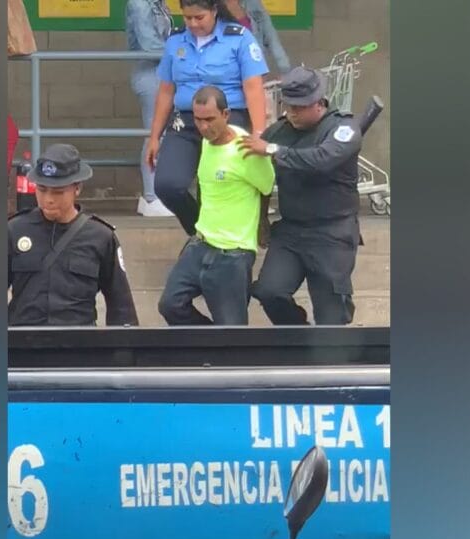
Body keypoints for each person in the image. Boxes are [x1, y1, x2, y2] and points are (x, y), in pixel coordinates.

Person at [237, 67, 363, 326]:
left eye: (299, 107)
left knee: (331, 314)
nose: (291, 112)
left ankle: (332, 359)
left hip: (332, 232)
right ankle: (301, 337)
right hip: (292, 231)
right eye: (289, 105)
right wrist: (260, 220)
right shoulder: (280, 131)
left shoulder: (343, 129)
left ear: (318, 103)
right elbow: (260, 179)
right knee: (269, 291)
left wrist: (272, 150)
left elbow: (322, 160)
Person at [146, 0, 270, 237]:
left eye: (199, 18)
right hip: (186, 121)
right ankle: (202, 234)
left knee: (214, 186)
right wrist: (154, 136)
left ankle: (215, 240)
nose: (193, 23)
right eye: (187, 18)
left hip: (227, 119)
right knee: (167, 184)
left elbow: (253, 88)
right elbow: (166, 91)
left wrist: (258, 133)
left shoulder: (239, 38)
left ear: (214, 11)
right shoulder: (176, 41)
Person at [157, 86, 275, 326]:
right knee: (170, 305)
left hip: (233, 253)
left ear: (226, 114)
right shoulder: (206, 143)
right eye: (198, 120)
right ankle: (209, 347)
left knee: (231, 330)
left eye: (210, 119)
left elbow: (266, 187)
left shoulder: (246, 150)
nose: (203, 127)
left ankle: (225, 354)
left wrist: (261, 227)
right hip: (201, 243)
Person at [7, 144, 139, 327]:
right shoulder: (14, 230)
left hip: (78, 348)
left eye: (58, 192)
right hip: (24, 346)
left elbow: (121, 308)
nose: (48, 199)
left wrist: (123, 352)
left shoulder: (100, 237)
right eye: (42, 190)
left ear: (77, 188)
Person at [124, 0, 176, 218]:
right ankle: (152, 196)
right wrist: (181, 49)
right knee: (155, 134)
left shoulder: (156, 3)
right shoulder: (139, 4)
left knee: (159, 134)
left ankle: (153, 196)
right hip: (150, 75)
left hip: (160, 73)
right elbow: (148, 45)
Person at [222, 0, 291, 74]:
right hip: (226, 67)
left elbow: (271, 36)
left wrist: (285, 69)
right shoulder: (213, 5)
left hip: (255, 66)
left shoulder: (252, 3)